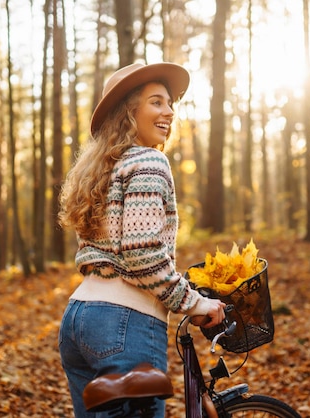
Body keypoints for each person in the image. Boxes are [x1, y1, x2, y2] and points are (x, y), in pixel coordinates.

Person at [57, 62, 226, 417]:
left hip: (78, 323)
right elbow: (142, 253)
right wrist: (195, 304)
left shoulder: (101, 170)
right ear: (129, 112)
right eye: (156, 102)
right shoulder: (149, 162)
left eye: (169, 103)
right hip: (124, 326)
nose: (168, 112)